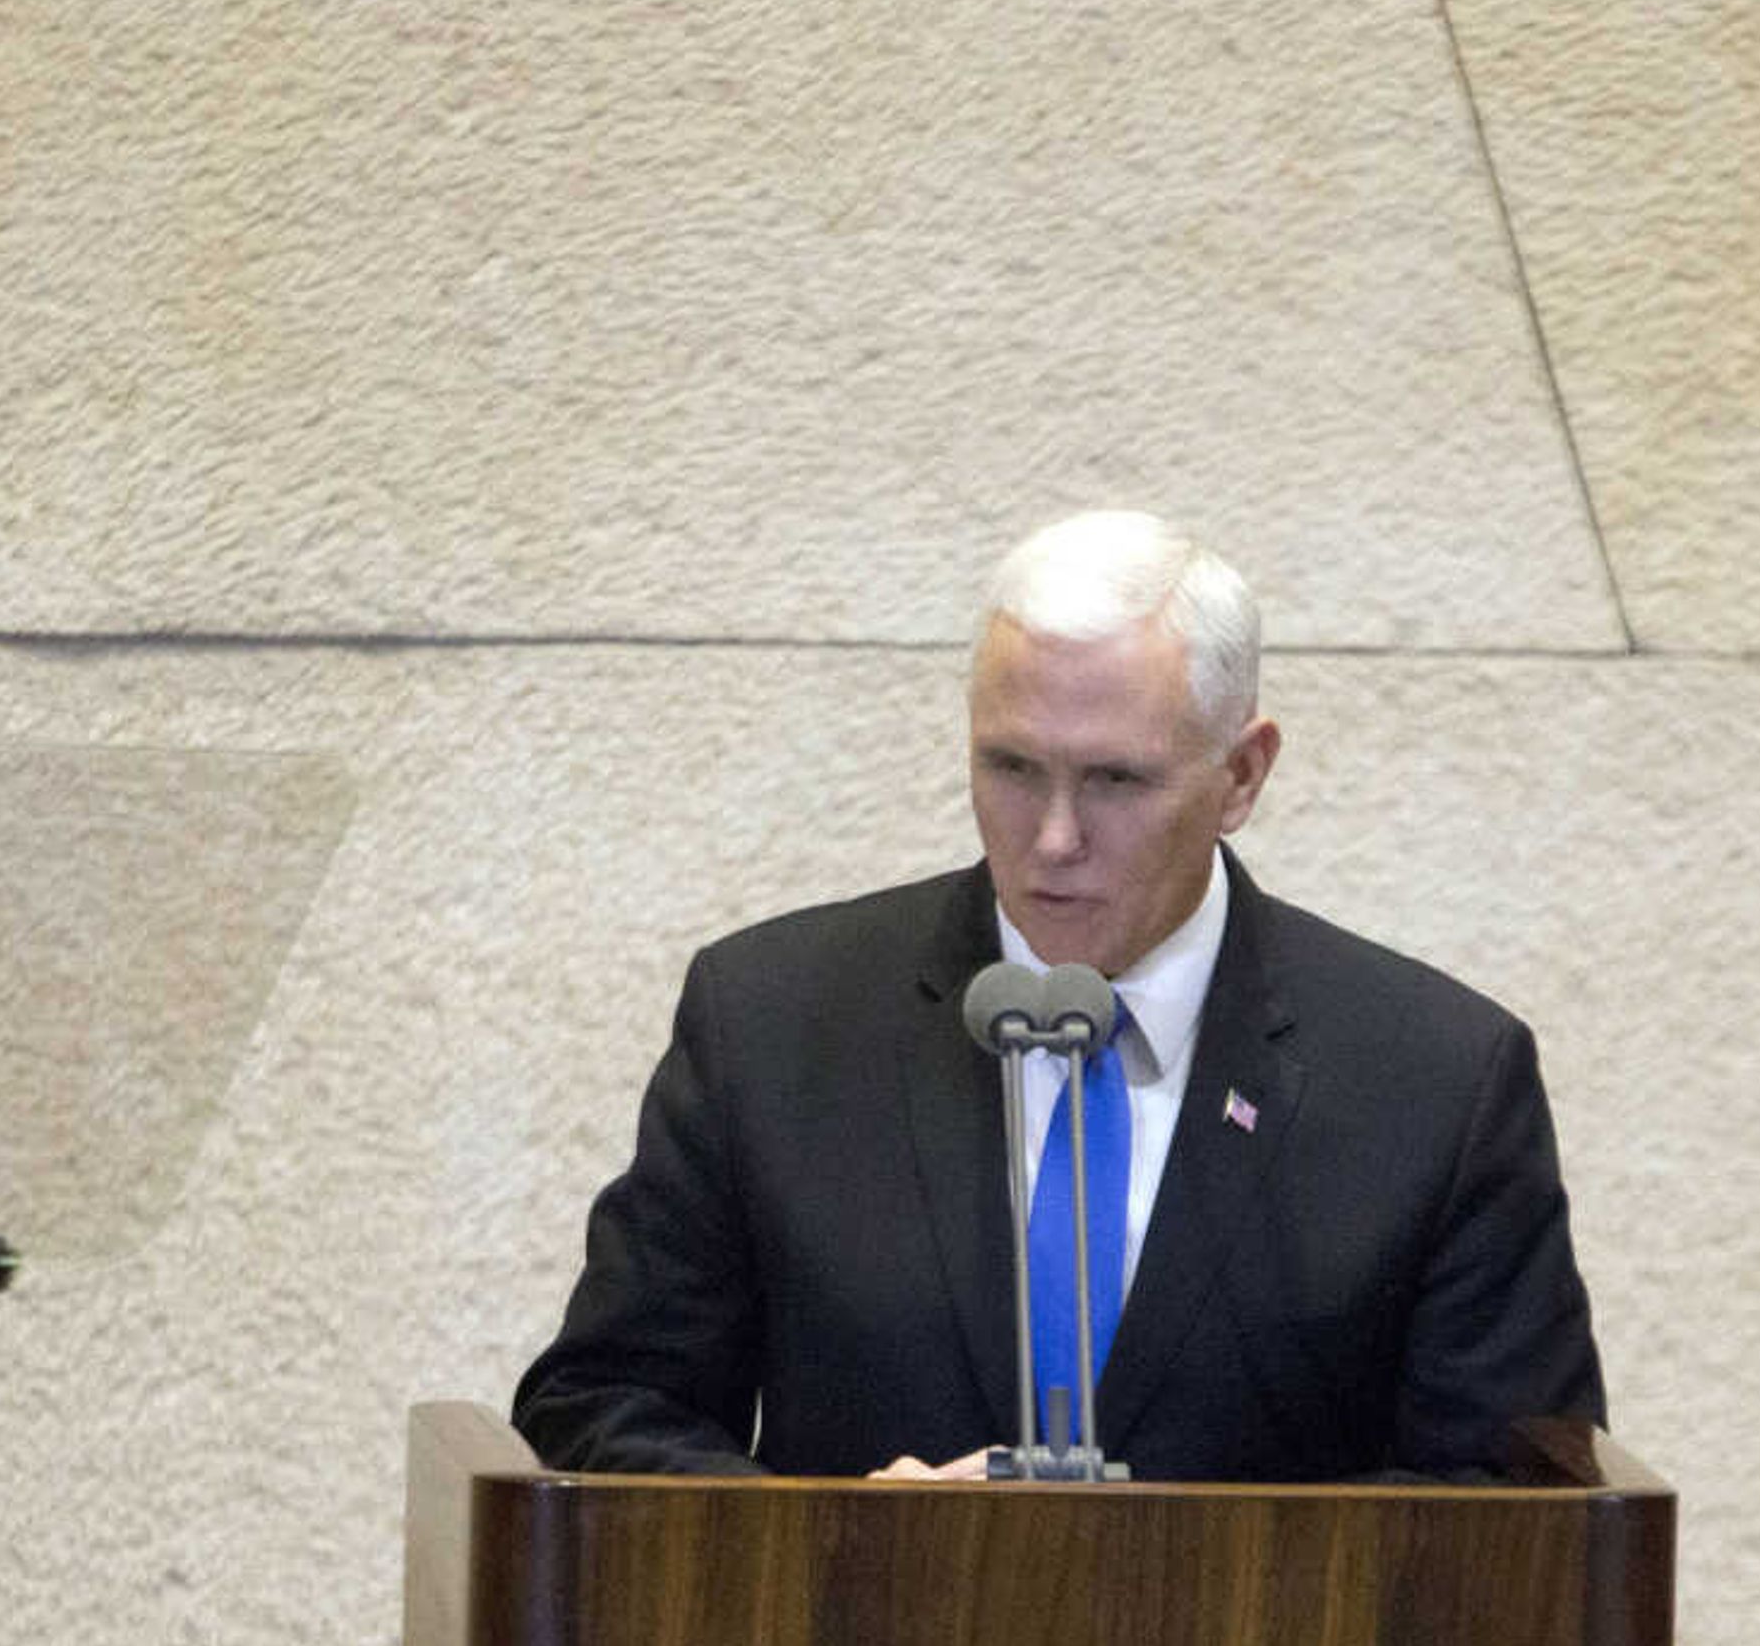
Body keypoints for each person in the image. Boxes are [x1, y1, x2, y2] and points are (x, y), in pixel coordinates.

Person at [511, 509, 1601, 1479]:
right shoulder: (772, 1021)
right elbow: (603, 1407)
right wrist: (830, 1547)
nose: (1053, 839)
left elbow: (1515, 1506)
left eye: (1116, 780)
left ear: (1244, 775)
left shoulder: (1438, 1079)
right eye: (1012, 769)